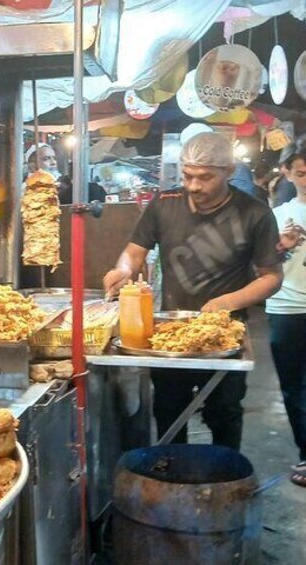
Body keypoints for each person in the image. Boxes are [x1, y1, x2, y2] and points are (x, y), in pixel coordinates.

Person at [103, 132, 283, 450]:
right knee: (170, 409)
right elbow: (134, 251)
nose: (194, 186)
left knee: (224, 412)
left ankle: (225, 477)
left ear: (228, 171)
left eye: (205, 177)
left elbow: (271, 277)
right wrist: (123, 270)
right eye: (187, 176)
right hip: (170, 332)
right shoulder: (165, 203)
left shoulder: (254, 213)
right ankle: (172, 470)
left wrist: (228, 302)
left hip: (224, 335)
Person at [265, 137, 306, 487]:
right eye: (303, 173)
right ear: (288, 174)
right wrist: (282, 247)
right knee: (294, 388)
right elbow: (261, 267)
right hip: (286, 309)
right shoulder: (277, 217)